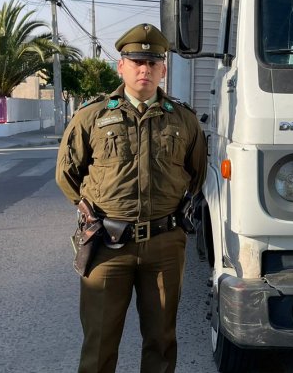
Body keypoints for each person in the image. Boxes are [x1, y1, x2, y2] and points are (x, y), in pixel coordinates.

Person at [56, 23, 207, 373]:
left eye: (153, 63)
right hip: (108, 244)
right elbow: (67, 174)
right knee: (99, 343)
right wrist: (89, 210)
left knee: (161, 341)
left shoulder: (183, 120)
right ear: (120, 66)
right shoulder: (92, 116)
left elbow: (196, 175)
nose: (145, 69)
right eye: (136, 61)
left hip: (164, 246)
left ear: (163, 69)